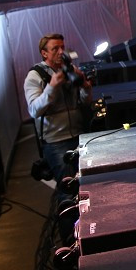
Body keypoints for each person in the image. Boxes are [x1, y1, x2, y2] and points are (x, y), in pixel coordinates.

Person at [24, 33, 93, 183]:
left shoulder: (70, 70)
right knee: (68, 186)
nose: (61, 52)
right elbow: (34, 110)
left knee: (86, 182)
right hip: (56, 142)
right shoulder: (35, 76)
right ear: (44, 53)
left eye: (62, 47)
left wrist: (86, 88)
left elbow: (84, 102)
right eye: (55, 48)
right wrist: (52, 86)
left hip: (79, 135)